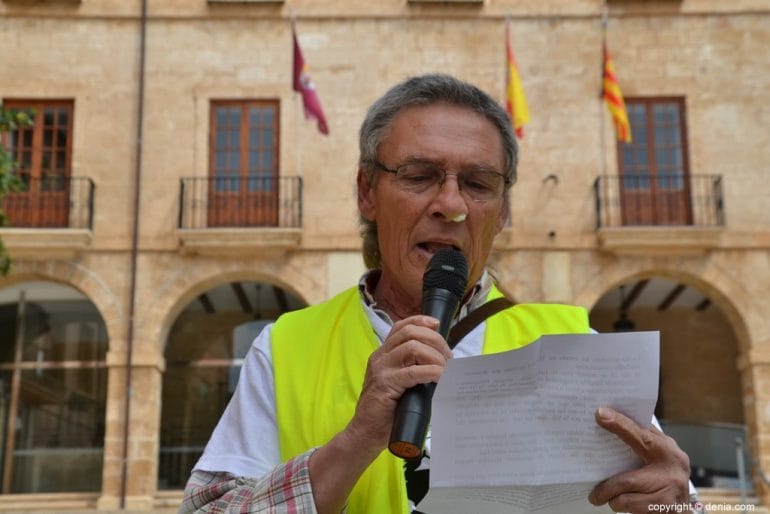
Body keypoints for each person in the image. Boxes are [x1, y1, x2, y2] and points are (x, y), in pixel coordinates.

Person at [179, 73, 693, 514]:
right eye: (419, 176)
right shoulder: (287, 346)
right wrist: (357, 439)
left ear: (503, 210)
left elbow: (672, 494)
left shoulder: (573, 341)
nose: (451, 204)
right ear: (366, 192)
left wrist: (678, 503)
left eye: (478, 183)